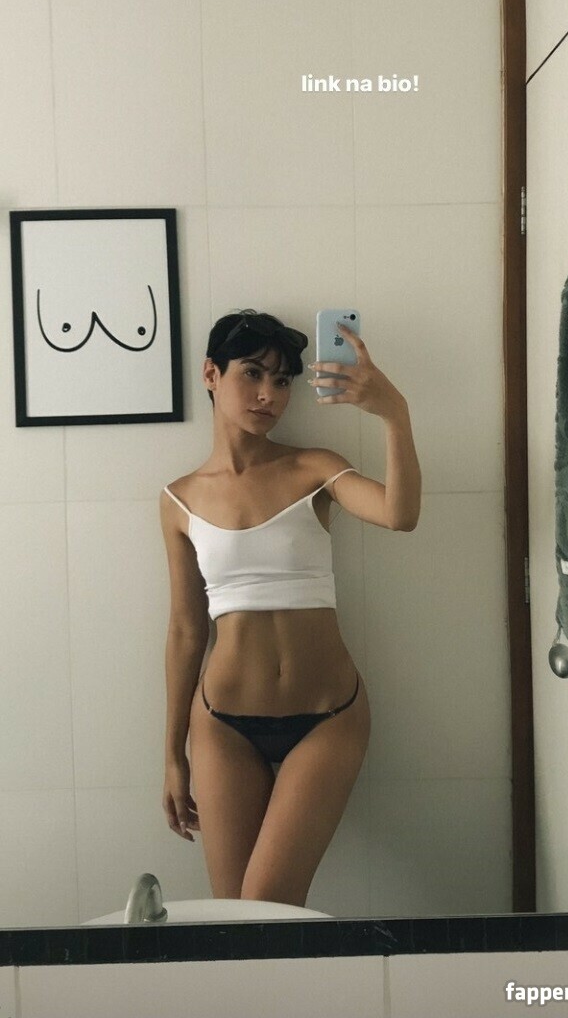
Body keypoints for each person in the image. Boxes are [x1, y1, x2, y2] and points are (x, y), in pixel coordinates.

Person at [160, 308, 421, 907]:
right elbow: (185, 631)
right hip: (222, 726)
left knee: (269, 904)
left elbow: (400, 515)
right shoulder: (179, 499)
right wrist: (172, 755)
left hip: (327, 719)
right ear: (211, 373)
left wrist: (394, 412)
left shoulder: (315, 467)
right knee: (235, 920)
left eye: (282, 381)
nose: (269, 395)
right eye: (252, 373)